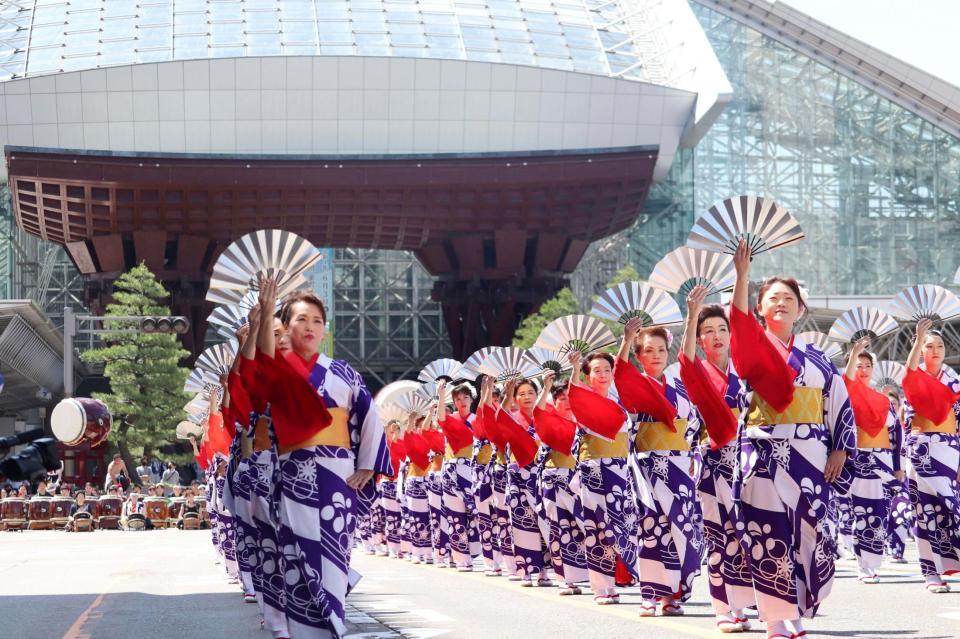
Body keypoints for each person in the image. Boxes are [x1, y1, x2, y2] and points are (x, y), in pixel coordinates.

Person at [729, 239, 855, 639]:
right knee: (766, 531)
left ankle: (797, 606)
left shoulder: (818, 356)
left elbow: (837, 400)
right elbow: (739, 329)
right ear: (760, 308)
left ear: (801, 309)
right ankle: (773, 618)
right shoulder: (751, 347)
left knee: (808, 530)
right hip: (764, 450)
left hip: (810, 455)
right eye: (772, 298)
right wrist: (742, 276)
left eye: (788, 297)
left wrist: (839, 447)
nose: (780, 303)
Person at [257, 278, 392, 638]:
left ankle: (332, 626)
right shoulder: (279, 368)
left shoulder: (342, 371)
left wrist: (367, 464)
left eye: (317, 320)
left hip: (337, 473)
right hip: (294, 470)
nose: (311, 327)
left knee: (334, 556)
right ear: (285, 326)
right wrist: (266, 310)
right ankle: (304, 630)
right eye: (301, 319)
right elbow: (262, 366)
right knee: (296, 553)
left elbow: (369, 416)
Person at [679, 287, 755, 632]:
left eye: (722, 329)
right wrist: (693, 313)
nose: (716, 336)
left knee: (748, 535)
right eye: (707, 332)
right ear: (700, 340)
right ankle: (723, 608)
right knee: (718, 536)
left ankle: (744, 603)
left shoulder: (746, 373)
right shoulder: (699, 374)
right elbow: (686, 362)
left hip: (751, 464)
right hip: (714, 464)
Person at [620, 321, 703, 617]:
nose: (656, 356)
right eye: (648, 351)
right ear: (638, 356)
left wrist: (693, 313)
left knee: (680, 528)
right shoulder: (633, 385)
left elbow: (694, 426)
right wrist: (627, 340)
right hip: (646, 467)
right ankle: (650, 594)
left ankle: (671, 594)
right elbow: (621, 377)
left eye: (661, 350)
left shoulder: (680, 387)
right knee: (650, 528)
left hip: (679, 467)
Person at [566, 350, 636, 605]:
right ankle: (601, 587)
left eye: (607, 370)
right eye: (597, 370)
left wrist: (627, 340)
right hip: (593, 468)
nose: (603, 375)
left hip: (620, 469)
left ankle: (622, 575)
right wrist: (574, 368)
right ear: (588, 375)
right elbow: (574, 393)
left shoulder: (620, 402)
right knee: (595, 528)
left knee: (621, 526)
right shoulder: (583, 400)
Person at [901, 318, 960, 593]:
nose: (935, 350)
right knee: (925, 512)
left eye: (939, 345)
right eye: (929, 345)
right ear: (920, 350)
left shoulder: (954, 381)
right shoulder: (914, 377)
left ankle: (948, 562)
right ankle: (931, 573)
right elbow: (909, 372)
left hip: (949, 450)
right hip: (921, 448)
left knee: (951, 506)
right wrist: (916, 339)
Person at [839, 338, 904, 584]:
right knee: (861, 512)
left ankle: (873, 561)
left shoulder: (884, 400)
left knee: (879, 513)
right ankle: (863, 565)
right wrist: (854, 350)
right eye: (858, 364)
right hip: (858, 460)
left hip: (883, 461)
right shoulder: (845, 392)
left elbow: (896, 434)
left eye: (867, 365)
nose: (863, 370)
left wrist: (898, 467)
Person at [535, 372, 588, 595]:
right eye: (562, 398)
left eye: (570, 397)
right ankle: (564, 579)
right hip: (554, 480)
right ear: (554, 402)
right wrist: (545, 388)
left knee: (581, 529)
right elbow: (537, 412)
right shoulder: (548, 421)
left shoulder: (584, 424)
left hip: (579, 481)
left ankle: (586, 574)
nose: (567, 403)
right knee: (558, 530)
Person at [435, 379, 479, 571]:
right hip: (453, 471)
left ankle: (477, 552)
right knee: (455, 515)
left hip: (472, 470)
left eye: (465, 397)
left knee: (475, 514)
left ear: (471, 399)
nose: (462, 401)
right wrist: (441, 394)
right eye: (458, 398)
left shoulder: (477, 420)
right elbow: (440, 418)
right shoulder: (450, 419)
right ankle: (461, 558)